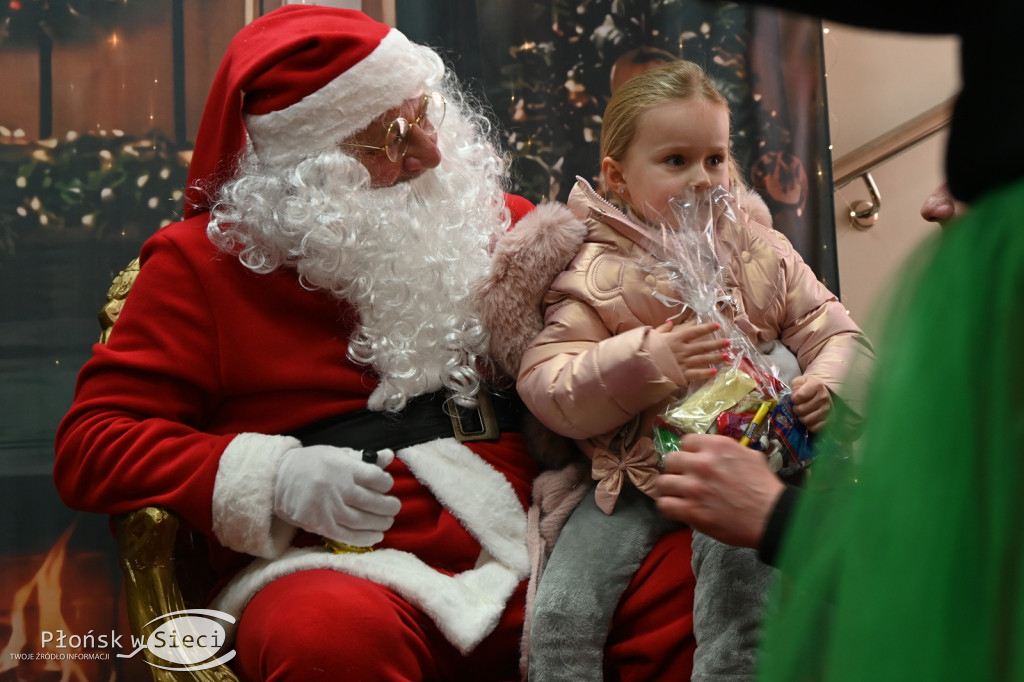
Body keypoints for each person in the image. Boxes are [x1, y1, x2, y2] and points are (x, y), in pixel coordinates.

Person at [53, 7, 701, 681]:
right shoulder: (200, 267)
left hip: (543, 541)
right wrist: (271, 478)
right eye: (393, 137)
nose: (431, 152)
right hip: (347, 565)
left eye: (425, 113)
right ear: (309, 172)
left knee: (697, 574)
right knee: (324, 633)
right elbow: (93, 443)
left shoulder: (499, 223)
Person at [660, 0, 1024, 679]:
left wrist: (778, 513)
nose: (931, 204)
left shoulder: (766, 250)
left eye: (992, 186)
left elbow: (973, 585)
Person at [496, 60, 870, 682]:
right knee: (561, 613)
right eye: (676, 161)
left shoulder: (760, 249)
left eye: (716, 159)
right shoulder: (591, 271)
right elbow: (547, 382)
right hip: (633, 480)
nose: (702, 179)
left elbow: (838, 332)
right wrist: (647, 360)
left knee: (741, 595)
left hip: (738, 461)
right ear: (617, 176)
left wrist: (829, 385)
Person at [652, 181, 969, 567]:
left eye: (972, 175)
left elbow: (952, 563)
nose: (930, 204)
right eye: (675, 162)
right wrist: (645, 361)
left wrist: (829, 394)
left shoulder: (768, 250)